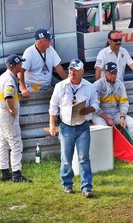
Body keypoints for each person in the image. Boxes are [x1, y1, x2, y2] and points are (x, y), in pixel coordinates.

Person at [49, 59, 99, 198]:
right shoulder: (60, 86)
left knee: (84, 158)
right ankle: (67, 184)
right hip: (66, 127)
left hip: (82, 126)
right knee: (66, 157)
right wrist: (52, 124)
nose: (72, 72)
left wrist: (88, 109)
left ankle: (86, 187)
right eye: (71, 69)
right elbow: (53, 106)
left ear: (82, 71)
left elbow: (96, 103)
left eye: (76, 70)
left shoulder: (89, 87)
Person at [0, 54, 32, 183]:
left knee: (4, 143)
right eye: (20, 64)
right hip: (7, 115)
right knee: (16, 143)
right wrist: (13, 110)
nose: (22, 66)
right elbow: (8, 97)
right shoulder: (10, 80)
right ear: (16, 65)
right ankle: (16, 175)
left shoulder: (3, 76)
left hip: (1, 112)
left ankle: (4, 172)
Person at [92, 62, 133, 137]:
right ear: (105, 73)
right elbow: (95, 107)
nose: (113, 75)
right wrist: (107, 119)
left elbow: (124, 103)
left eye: (115, 73)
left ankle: (123, 145)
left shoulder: (120, 84)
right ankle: (109, 147)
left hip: (115, 113)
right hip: (100, 114)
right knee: (104, 128)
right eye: (111, 73)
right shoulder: (97, 85)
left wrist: (122, 117)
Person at [19, 29, 68, 97]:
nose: (50, 42)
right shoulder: (29, 52)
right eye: (48, 40)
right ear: (41, 41)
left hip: (46, 87)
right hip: (32, 88)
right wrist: (24, 89)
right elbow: (20, 72)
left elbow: (58, 68)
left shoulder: (50, 49)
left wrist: (69, 82)